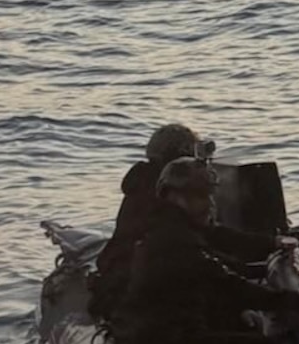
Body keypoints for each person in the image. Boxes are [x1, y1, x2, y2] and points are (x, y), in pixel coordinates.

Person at [118, 157, 299, 344]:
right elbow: (226, 283)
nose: (209, 204)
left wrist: (270, 245)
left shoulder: (168, 225)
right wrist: (290, 300)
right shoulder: (174, 240)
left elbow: (222, 243)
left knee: (235, 326)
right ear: (175, 196)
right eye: (201, 196)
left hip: (163, 338)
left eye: (208, 196)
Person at [92, 122, 215, 319]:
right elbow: (203, 239)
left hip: (120, 278)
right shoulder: (171, 193)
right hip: (135, 289)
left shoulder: (141, 182)